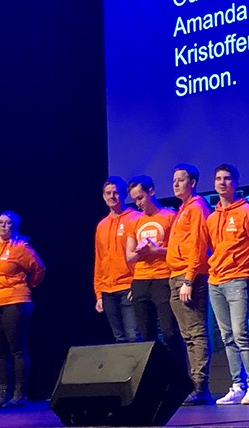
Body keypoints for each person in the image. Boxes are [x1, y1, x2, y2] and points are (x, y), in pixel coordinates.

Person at [207, 164, 249, 405]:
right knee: (227, 336)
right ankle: (237, 385)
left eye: (227, 178)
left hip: (238, 278)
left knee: (241, 333)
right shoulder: (211, 218)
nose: (223, 182)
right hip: (216, 281)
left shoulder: (248, 212)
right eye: (219, 178)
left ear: (236, 183)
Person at [0, 211, 45, 408]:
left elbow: (39, 269)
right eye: (0, 222)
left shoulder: (21, 248)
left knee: (16, 349)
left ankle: (19, 394)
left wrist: (27, 285)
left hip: (16, 301)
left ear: (15, 226)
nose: (3, 226)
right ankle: (3, 394)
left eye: (8, 223)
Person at [126, 176, 187, 364]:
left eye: (141, 197)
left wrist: (156, 250)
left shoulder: (170, 216)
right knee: (146, 336)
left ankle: (180, 378)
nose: (138, 203)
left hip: (163, 279)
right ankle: (155, 380)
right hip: (141, 281)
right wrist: (140, 251)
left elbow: (178, 249)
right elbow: (129, 257)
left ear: (151, 191)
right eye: (135, 199)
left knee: (170, 332)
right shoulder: (134, 222)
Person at [167, 163, 213, 405]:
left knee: (196, 332)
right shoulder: (182, 209)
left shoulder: (197, 208)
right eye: (174, 179)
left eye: (180, 179)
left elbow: (198, 245)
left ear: (192, 182)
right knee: (187, 336)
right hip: (175, 276)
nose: (175, 184)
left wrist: (189, 278)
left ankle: (200, 386)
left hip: (189, 277)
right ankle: (191, 385)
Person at [94, 177, 141, 343]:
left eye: (116, 192)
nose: (112, 196)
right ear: (103, 196)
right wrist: (99, 294)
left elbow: (141, 257)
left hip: (129, 287)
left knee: (134, 336)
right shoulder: (102, 225)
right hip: (107, 290)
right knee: (119, 339)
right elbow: (99, 260)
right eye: (108, 193)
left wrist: (137, 285)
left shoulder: (135, 218)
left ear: (124, 194)